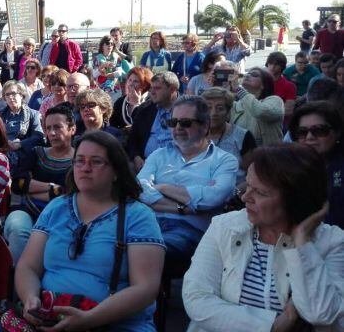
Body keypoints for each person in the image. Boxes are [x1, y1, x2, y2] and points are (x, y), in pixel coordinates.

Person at [10, 130, 163, 331]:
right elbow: (27, 267)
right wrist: (31, 299)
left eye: (96, 162)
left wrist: (90, 319)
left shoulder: (138, 216)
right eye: (79, 161)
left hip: (116, 323)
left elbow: (145, 289)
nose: (85, 168)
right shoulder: (57, 207)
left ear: (116, 171)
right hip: (51, 318)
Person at [182, 144, 344, 331]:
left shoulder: (333, 242)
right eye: (248, 186)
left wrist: (302, 241)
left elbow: (320, 314)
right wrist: (271, 325)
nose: (245, 198)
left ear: (296, 200)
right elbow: (197, 299)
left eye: (260, 192)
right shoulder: (225, 226)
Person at [138, 95, 238, 263]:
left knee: (151, 251)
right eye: (173, 122)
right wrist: (182, 208)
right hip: (148, 223)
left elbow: (213, 198)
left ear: (205, 126)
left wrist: (161, 187)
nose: (177, 128)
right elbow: (139, 188)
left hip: (190, 232)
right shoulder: (158, 155)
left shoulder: (225, 161)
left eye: (185, 123)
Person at [5, 104, 76, 263]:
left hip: (63, 216)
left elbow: (70, 194)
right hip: (26, 210)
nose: (51, 133)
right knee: (18, 229)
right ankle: (17, 280)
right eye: (48, 128)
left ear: (72, 128)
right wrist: (53, 189)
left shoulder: (80, 160)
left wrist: (32, 188)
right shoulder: (36, 153)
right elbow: (18, 185)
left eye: (57, 127)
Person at [289, 101, 344, 229]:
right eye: (302, 132)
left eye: (319, 130)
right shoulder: (288, 167)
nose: (309, 137)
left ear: (337, 132)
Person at [201, 87, 256, 189]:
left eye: (220, 108)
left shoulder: (243, 136)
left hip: (234, 197)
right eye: (208, 108)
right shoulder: (195, 134)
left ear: (228, 111)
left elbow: (254, 176)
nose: (213, 113)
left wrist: (234, 194)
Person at [126, 72, 180, 172]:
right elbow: (133, 139)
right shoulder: (145, 109)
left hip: (177, 166)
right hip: (145, 164)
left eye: (157, 88)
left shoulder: (187, 110)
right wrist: (136, 157)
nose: (152, 92)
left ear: (172, 89)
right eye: (151, 88)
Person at [0, 81, 45, 176]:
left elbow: (39, 136)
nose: (11, 97)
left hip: (23, 153)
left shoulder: (33, 114)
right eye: (7, 94)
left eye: (14, 93)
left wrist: (20, 144)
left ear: (21, 95)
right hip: (2, 152)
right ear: (4, 98)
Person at [229, 66, 284, 146]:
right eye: (247, 74)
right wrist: (219, 86)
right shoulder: (238, 104)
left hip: (269, 156)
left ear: (264, 85)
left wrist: (238, 89)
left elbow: (260, 112)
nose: (247, 76)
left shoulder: (275, 100)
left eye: (254, 75)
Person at [110, 66, 152, 131]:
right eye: (130, 80)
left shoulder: (150, 102)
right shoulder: (120, 101)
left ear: (144, 85)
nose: (130, 84)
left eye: (136, 81)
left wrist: (136, 104)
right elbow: (113, 124)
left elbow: (146, 125)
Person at [264, 52, 297, 120]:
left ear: (282, 66)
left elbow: (288, 111)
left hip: (279, 124)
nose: (272, 67)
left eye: (276, 64)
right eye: (270, 63)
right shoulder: (260, 81)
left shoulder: (289, 86)